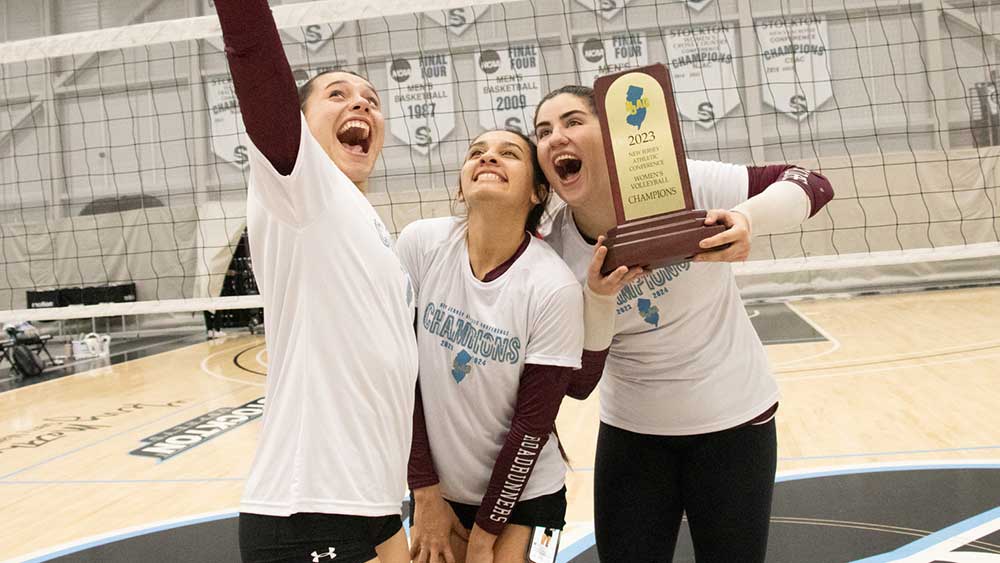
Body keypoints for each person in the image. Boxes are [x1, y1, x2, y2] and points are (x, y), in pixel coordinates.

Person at [533, 85, 834, 562]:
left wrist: (746, 218)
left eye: (572, 122)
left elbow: (812, 183)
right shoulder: (552, 251)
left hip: (735, 423)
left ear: (610, 137)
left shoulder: (681, 185)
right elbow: (579, 379)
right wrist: (598, 298)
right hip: (634, 435)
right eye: (543, 131)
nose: (555, 137)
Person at [215, 2, 418, 562]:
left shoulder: (371, 228)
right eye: (337, 95)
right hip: (306, 509)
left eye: (372, 101)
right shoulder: (303, 189)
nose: (360, 103)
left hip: (372, 503)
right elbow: (255, 61)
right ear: (299, 125)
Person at [398, 129, 641, 563]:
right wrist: (425, 492)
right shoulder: (422, 245)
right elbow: (401, 377)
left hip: (525, 492)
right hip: (439, 490)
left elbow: (530, 429)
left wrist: (484, 536)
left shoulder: (552, 287)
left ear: (537, 192)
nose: (488, 158)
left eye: (508, 154)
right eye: (477, 152)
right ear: (461, 183)